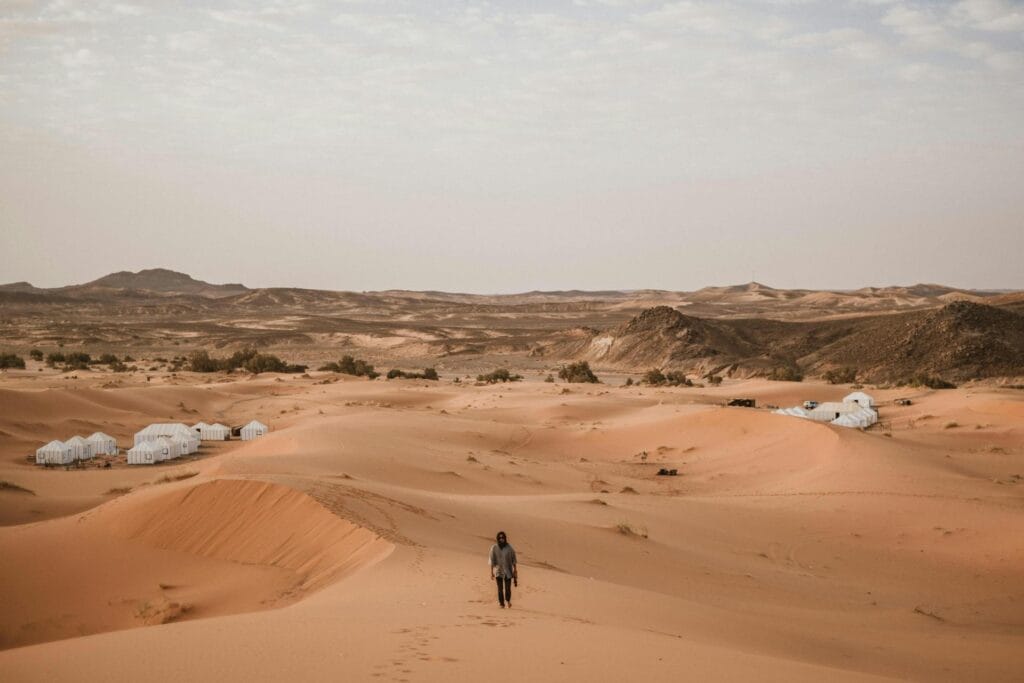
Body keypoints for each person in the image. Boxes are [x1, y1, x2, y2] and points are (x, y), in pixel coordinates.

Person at [489, 530, 518, 608]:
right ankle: (502, 604)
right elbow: (492, 560)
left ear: (505, 538)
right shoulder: (494, 548)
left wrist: (515, 571)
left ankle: (508, 600)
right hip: (498, 571)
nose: (501, 539)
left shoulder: (509, 548)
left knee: (508, 589)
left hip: (508, 572)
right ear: (498, 538)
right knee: (500, 589)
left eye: (503, 537)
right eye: (500, 537)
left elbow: (514, 560)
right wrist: (491, 572)